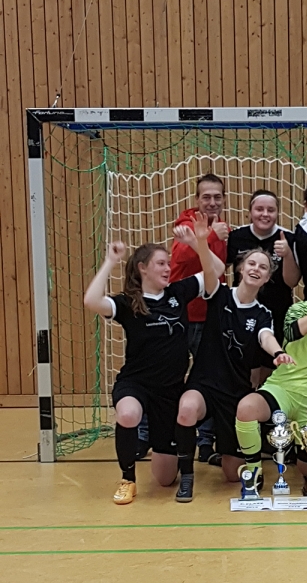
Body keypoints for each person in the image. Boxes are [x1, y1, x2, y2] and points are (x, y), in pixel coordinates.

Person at [174, 213, 294, 503]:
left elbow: (265, 336)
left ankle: (227, 453)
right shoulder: (220, 294)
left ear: (268, 277)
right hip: (205, 383)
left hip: (235, 391)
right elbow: (209, 269)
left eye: (263, 267)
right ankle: (187, 477)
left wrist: (278, 352)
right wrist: (201, 241)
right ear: (240, 268)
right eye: (251, 264)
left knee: (232, 475)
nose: (256, 269)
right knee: (187, 408)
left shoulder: (263, 313)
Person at [83, 241, 205, 505]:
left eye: (168, 263)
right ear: (143, 268)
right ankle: (127, 479)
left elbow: (214, 272)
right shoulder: (128, 303)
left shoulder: (178, 293)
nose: (167, 268)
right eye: (161, 263)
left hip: (169, 392)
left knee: (164, 479)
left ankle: (158, 447)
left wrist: (197, 243)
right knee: (128, 414)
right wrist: (111, 261)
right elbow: (91, 300)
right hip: (136, 384)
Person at [235, 268, 307, 487]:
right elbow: (292, 332)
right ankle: (253, 472)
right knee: (246, 408)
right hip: (283, 387)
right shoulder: (302, 308)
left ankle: (295, 447)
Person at [162, 173, 230, 463]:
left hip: (211, 315)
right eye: (206, 197)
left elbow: (219, 267)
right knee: (170, 375)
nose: (212, 202)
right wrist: (211, 236)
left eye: (217, 197)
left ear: (224, 199)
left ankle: (205, 442)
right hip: (182, 316)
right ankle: (158, 435)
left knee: (211, 377)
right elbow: (183, 258)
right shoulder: (185, 224)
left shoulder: (222, 227)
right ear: (196, 199)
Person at [227, 189, 300, 385]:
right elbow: (219, 268)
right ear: (250, 212)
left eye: (271, 210)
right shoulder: (237, 236)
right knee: (244, 366)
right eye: (259, 209)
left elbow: (292, 282)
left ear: (277, 213)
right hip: (242, 312)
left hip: (277, 311)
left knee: (270, 365)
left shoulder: (288, 238)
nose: (265, 214)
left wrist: (287, 255)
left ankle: (263, 401)